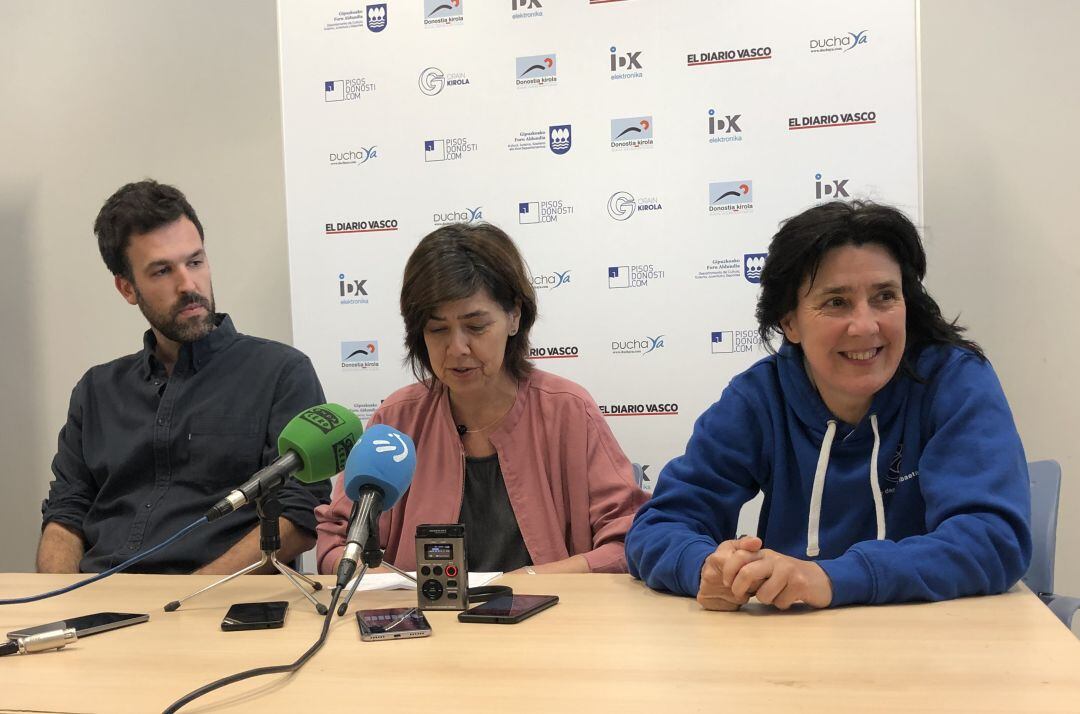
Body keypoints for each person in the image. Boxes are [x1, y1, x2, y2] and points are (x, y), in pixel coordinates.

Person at [626, 200, 1032, 610]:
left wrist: (830, 578)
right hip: (793, 645)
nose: (866, 325)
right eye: (836, 302)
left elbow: (993, 538)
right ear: (789, 322)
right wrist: (707, 569)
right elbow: (659, 526)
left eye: (885, 296)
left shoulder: (954, 380)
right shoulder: (760, 397)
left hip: (935, 642)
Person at [316, 222, 647, 574]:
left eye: (476, 327)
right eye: (438, 329)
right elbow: (337, 542)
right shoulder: (397, 420)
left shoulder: (567, 410)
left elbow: (630, 540)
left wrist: (534, 580)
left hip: (549, 619)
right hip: (427, 624)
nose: (457, 348)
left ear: (514, 317)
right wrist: (391, 585)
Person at [37, 180, 330, 574]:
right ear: (127, 288)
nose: (188, 285)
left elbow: (299, 512)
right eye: (162, 271)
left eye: (195, 262)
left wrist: (188, 598)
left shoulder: (281, 373)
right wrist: (60, 603)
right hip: (100, 601)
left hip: (220, 604)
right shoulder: (95, 391)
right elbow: (65, 512)